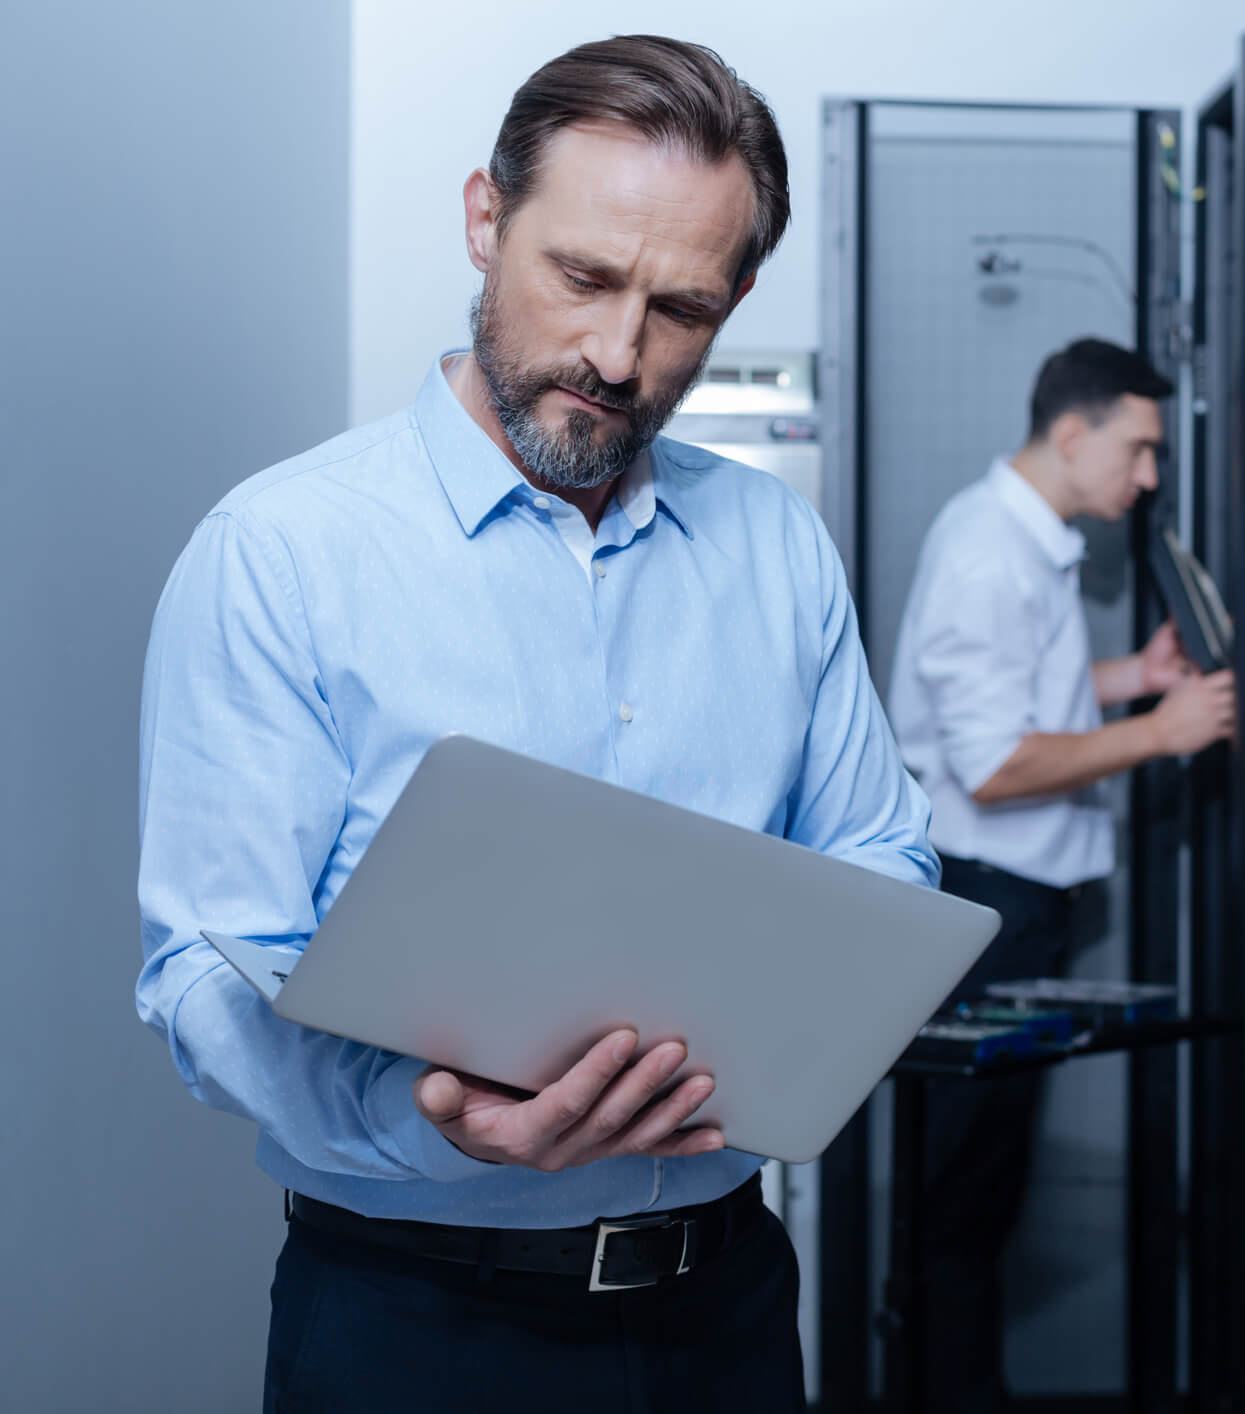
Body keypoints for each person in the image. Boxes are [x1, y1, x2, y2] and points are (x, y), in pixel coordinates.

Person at [134, 36, 931, 1412]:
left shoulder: (778, 546)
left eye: (681, 308)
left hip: (727, 1305)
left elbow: (882, 856)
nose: (618, 356)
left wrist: (796, 1026)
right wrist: (439, 1128)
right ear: (484, 218)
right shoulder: (281, 550)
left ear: (735, 296)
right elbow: (206, 974)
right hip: (414, 1323)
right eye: (583, 278)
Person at [886, 337, 1240, 1412]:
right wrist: (1165, 731)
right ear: (1074, 433)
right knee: (962, 1195)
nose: (1148, 479)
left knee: (983, 1192)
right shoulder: (989, 552)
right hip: (981, 902)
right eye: (1138, 450)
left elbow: (1013, 692)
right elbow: (993, 763)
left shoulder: (1021, 544)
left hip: (1008, 905)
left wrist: (1136, 677)